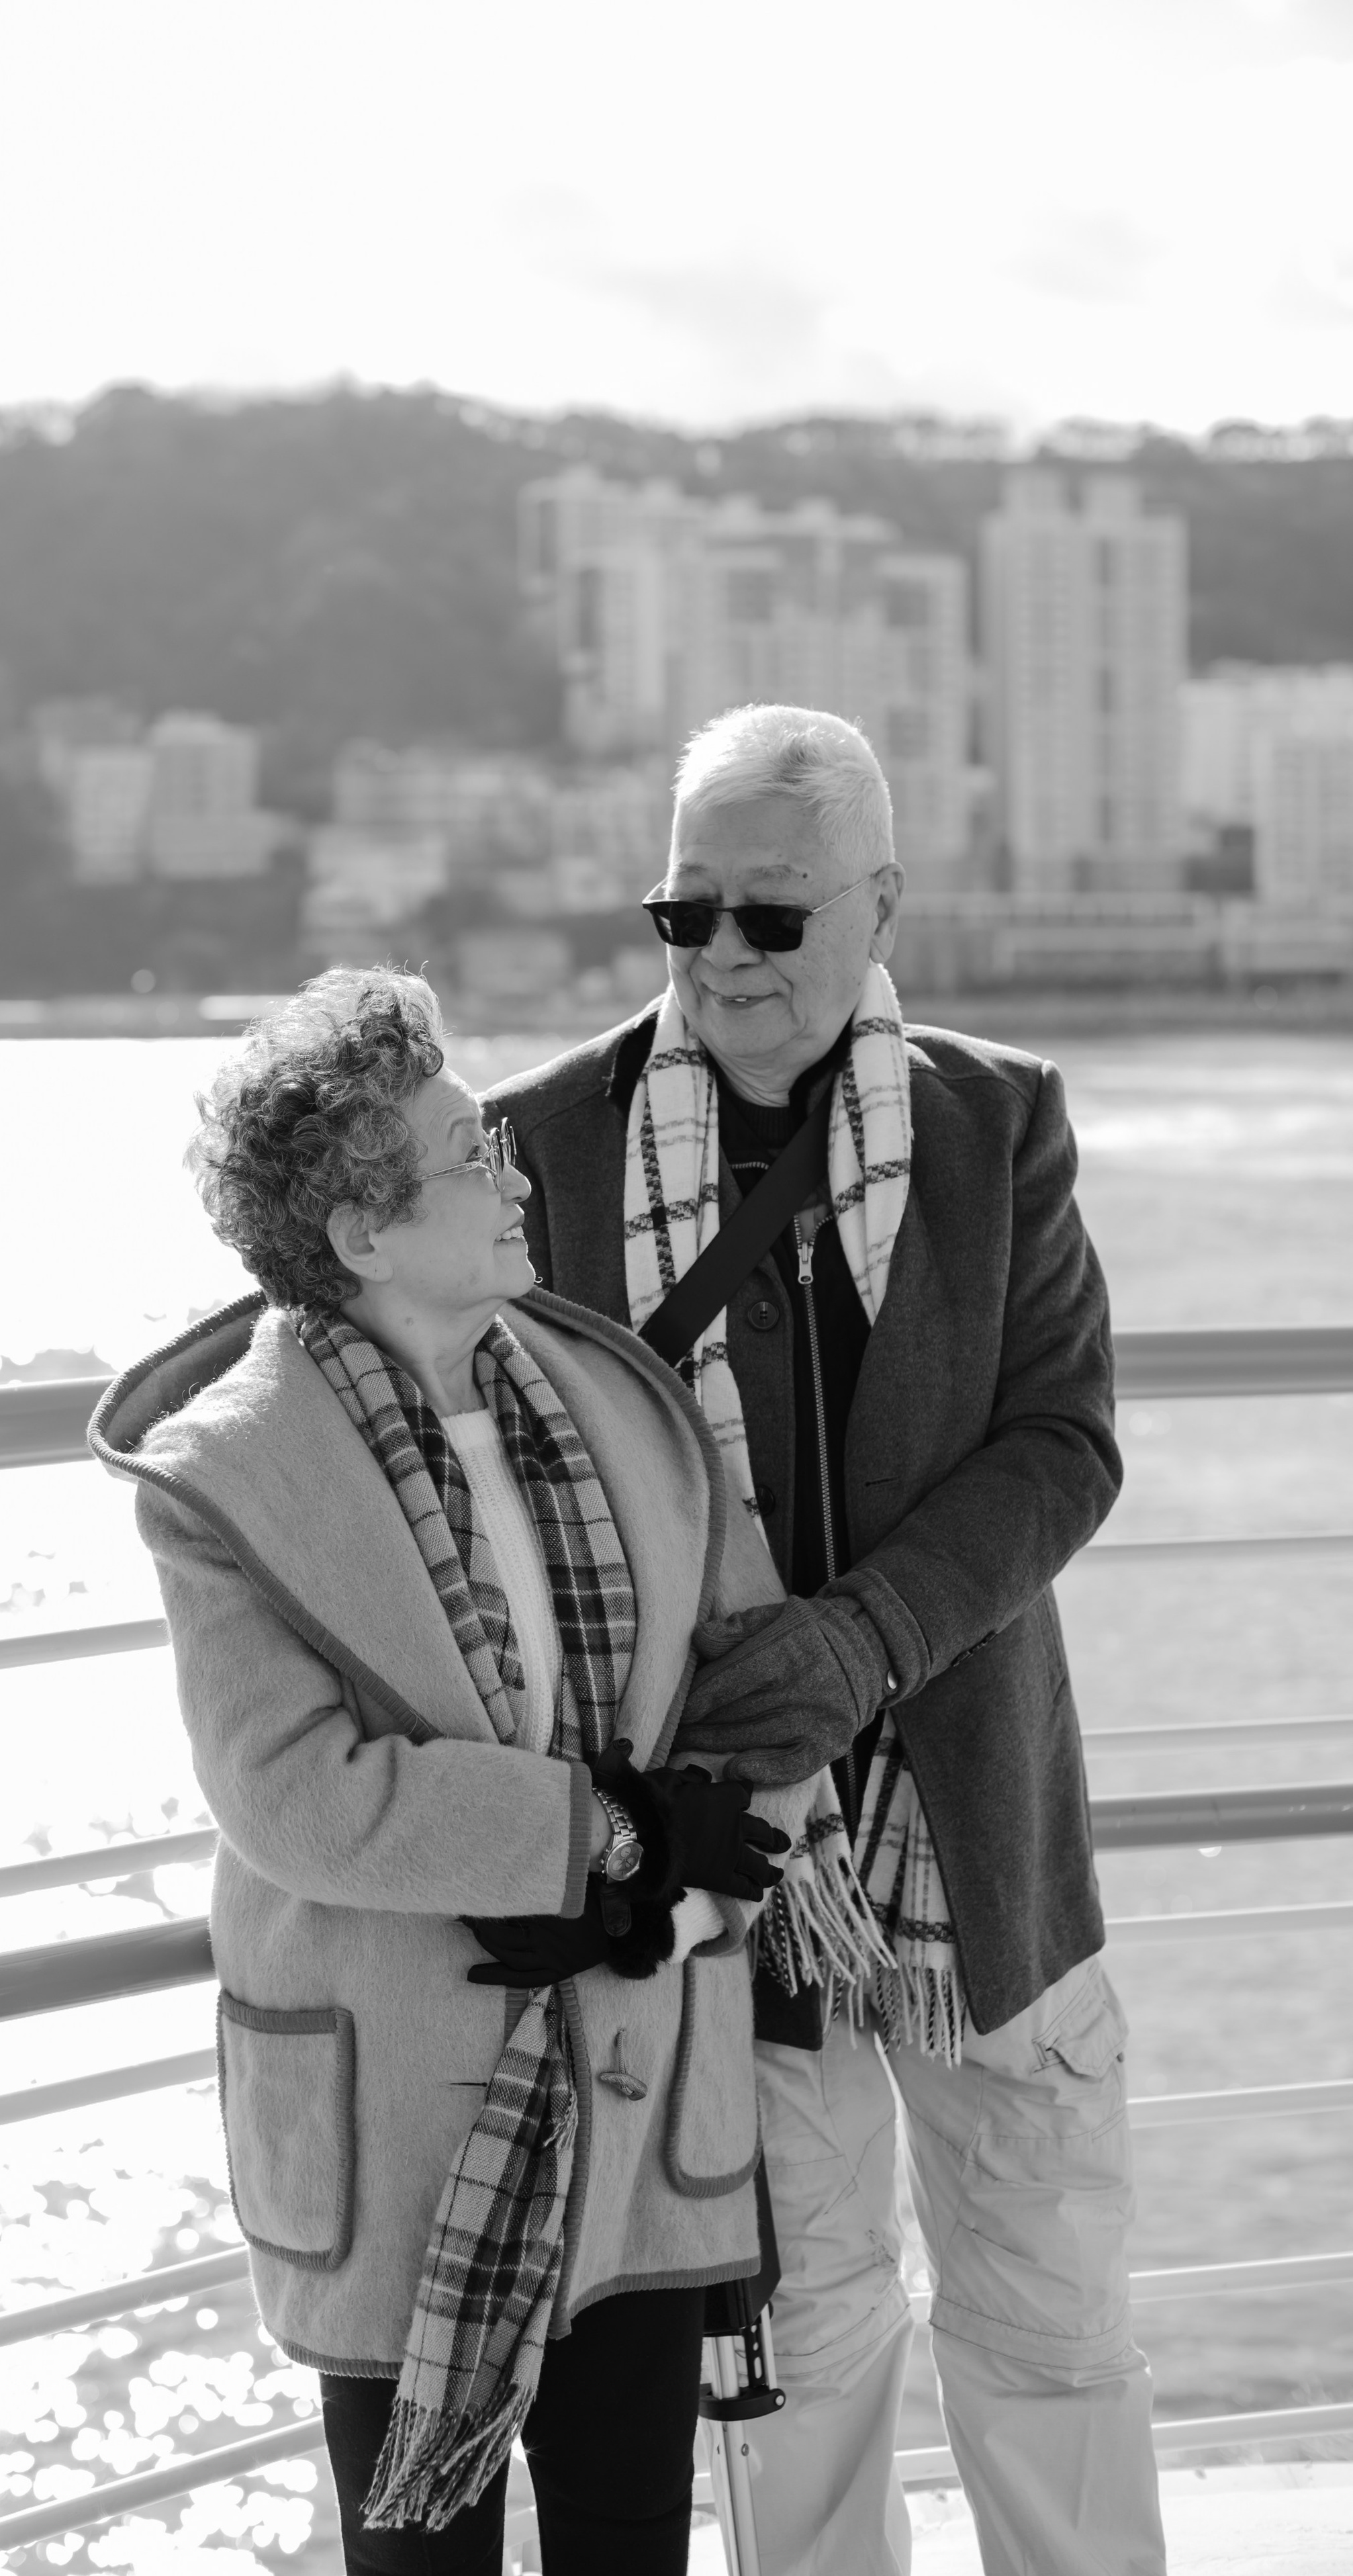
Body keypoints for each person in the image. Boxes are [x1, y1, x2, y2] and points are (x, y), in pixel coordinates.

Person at [483, 704, 1168, 2576]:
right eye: (680, 912)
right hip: (718, 1860)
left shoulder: (997, 1117)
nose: (720, 956)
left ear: (882, 904)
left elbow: (1065, 1440)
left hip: (977, 1839)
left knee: (1048, 2310)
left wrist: (864, 1638)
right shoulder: (537, 1144)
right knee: (797, 2332)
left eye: (770, 918)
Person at [91, 967, 790, 2576]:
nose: (514, 1174)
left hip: (629, 2075)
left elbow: (747, 1679)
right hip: (405, 2123)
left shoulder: (613, 1392)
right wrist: (607, 1832)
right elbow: (298, 1795)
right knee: (421, 2556)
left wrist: (678, 1897)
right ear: (358, 1229)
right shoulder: (225, 1477)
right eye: (472, 1153)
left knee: (630, 2542)